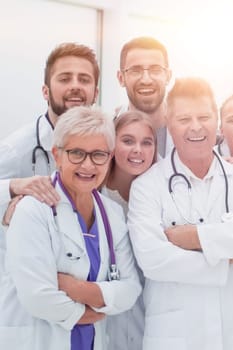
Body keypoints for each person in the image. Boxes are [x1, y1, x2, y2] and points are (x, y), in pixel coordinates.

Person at [127, 77, 233, 349]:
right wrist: (228, 254)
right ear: (167, 121)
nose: (196, 127)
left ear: (217, 121)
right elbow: (152, 258)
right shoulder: (147, 186)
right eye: (184, 118)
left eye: (204, 116)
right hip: (176, 336)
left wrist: (195, 238)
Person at [0, 106, 141, 349]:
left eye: (98, 155)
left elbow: (130, 289)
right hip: (39, 339)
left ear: (110, 157)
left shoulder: (112, 214)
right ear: (57, 155)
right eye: (77, 153)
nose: (88, 165)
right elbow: (38, 297)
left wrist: (75, 288)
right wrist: (89, 314)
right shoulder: (32, 210)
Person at [0, 42, 100, 278]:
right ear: (46, 91)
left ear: (95, 92)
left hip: (81, 284)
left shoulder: (102, 145)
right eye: (65, 79)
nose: (75, 86)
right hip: (24, 288)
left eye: (84, 79)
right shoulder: (17, 149)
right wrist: (13, 187)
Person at [103, 110, 157, 350]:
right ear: (112, 145)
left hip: (150, 314)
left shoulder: (162, 191)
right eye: (128, 141)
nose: (138, 149)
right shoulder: (95, 195)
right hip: (104, 316)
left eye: (147, 142)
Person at [116, 36, 173, 157]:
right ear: (121, 78)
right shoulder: (107, 133)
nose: (146, 80)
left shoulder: (192, 133)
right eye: (135, 70)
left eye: (155, 70)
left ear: (168, 76)